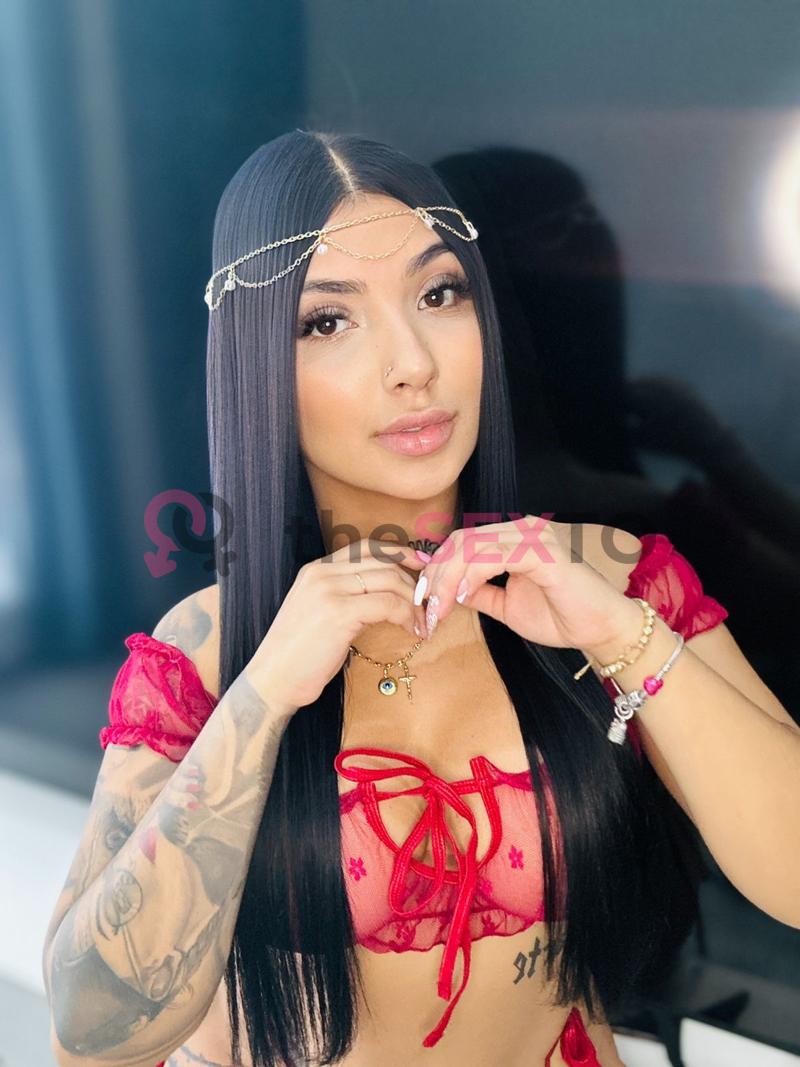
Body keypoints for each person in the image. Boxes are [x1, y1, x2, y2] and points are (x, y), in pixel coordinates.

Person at [42, 130, 800, 1067]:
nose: (413, 363)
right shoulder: (207, 648)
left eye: (439, 294)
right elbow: (90, 1037)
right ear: (256, 360)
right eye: (328, 320)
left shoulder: (607, 577)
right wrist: (264, 693)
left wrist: (620, 633)